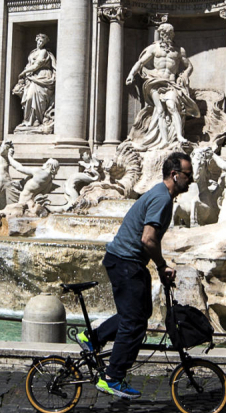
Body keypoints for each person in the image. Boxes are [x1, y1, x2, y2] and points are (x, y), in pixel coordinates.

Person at [75, 151, 192, 399]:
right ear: (175, 174)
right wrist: (162, 266)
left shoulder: (161, 195)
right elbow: (148, 238)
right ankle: (113, 378)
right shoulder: (162, 199)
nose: (190, 180)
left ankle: (93, 338)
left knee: (139, 315)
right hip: (126, 261)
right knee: (134, 322)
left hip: (126, 261)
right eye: (188, 175)